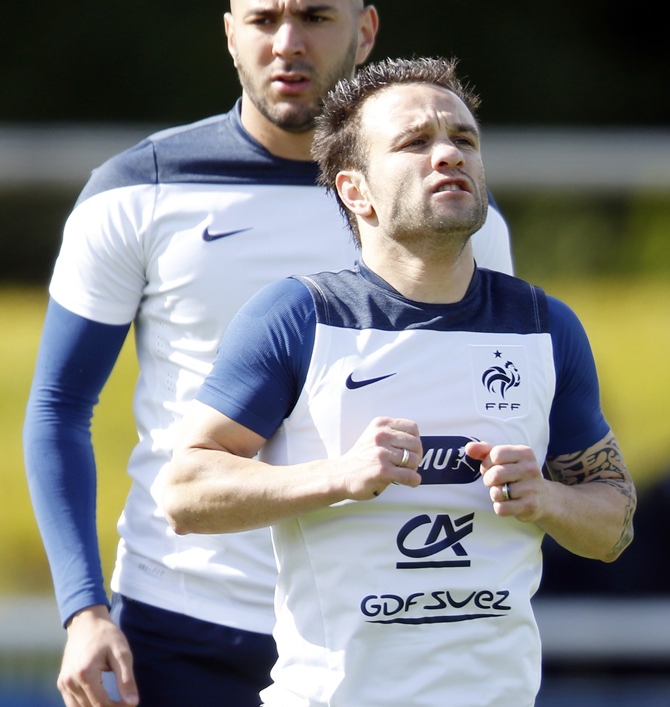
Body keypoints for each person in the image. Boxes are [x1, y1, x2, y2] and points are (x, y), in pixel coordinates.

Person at [23, 0, 513, 706]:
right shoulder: (137, 192)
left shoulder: (454, 214)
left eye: (316, 17)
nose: (287, 42)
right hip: (182, 625)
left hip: (372, 628)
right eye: (262, 21)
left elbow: (486, 410)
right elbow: (56, 408)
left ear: (366, 32)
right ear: (229, 33)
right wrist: (83, 609)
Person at [162, 56, 636, 707]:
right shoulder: (299, 317)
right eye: (416, 142)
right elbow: (185, 491)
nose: (448, 154)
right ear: (356, 191)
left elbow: (613, 523)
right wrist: (340, 476)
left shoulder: (544, 326)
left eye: (463, 139)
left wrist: (549, 497)